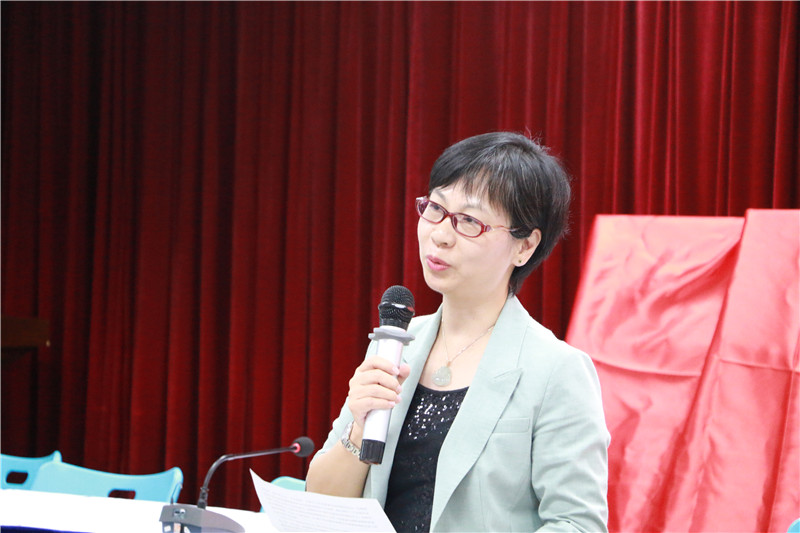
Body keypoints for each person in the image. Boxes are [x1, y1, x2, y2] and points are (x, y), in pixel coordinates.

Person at [305, 131, 609, 532]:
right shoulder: (397, 344)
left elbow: (577, 524)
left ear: (524, 246)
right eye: (435, 208)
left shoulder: (556, 370)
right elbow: (321, 506)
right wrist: (360, 430)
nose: (440, 235)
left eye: (469, 221)